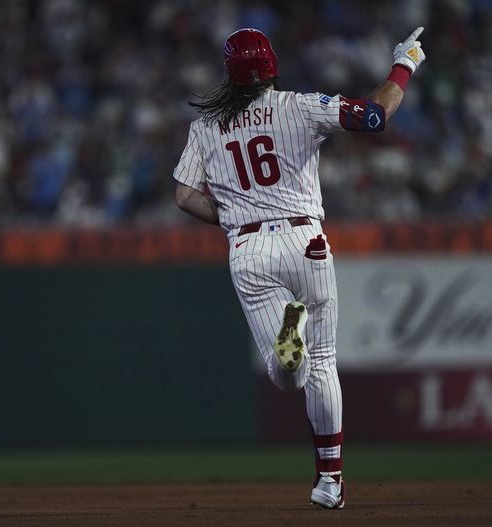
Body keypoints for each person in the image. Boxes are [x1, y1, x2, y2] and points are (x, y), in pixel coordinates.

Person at [173, 26, 426, 509]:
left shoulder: (206, 126)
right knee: (324, 363)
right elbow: (374, 117)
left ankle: (291, 345)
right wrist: (405, 63)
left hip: (248, 247)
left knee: (287, 373)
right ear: (271, 67)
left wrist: (230, 214)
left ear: (230, 73)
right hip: (304, 239)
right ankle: (329, 482)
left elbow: (184, 196)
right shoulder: (298, 105)